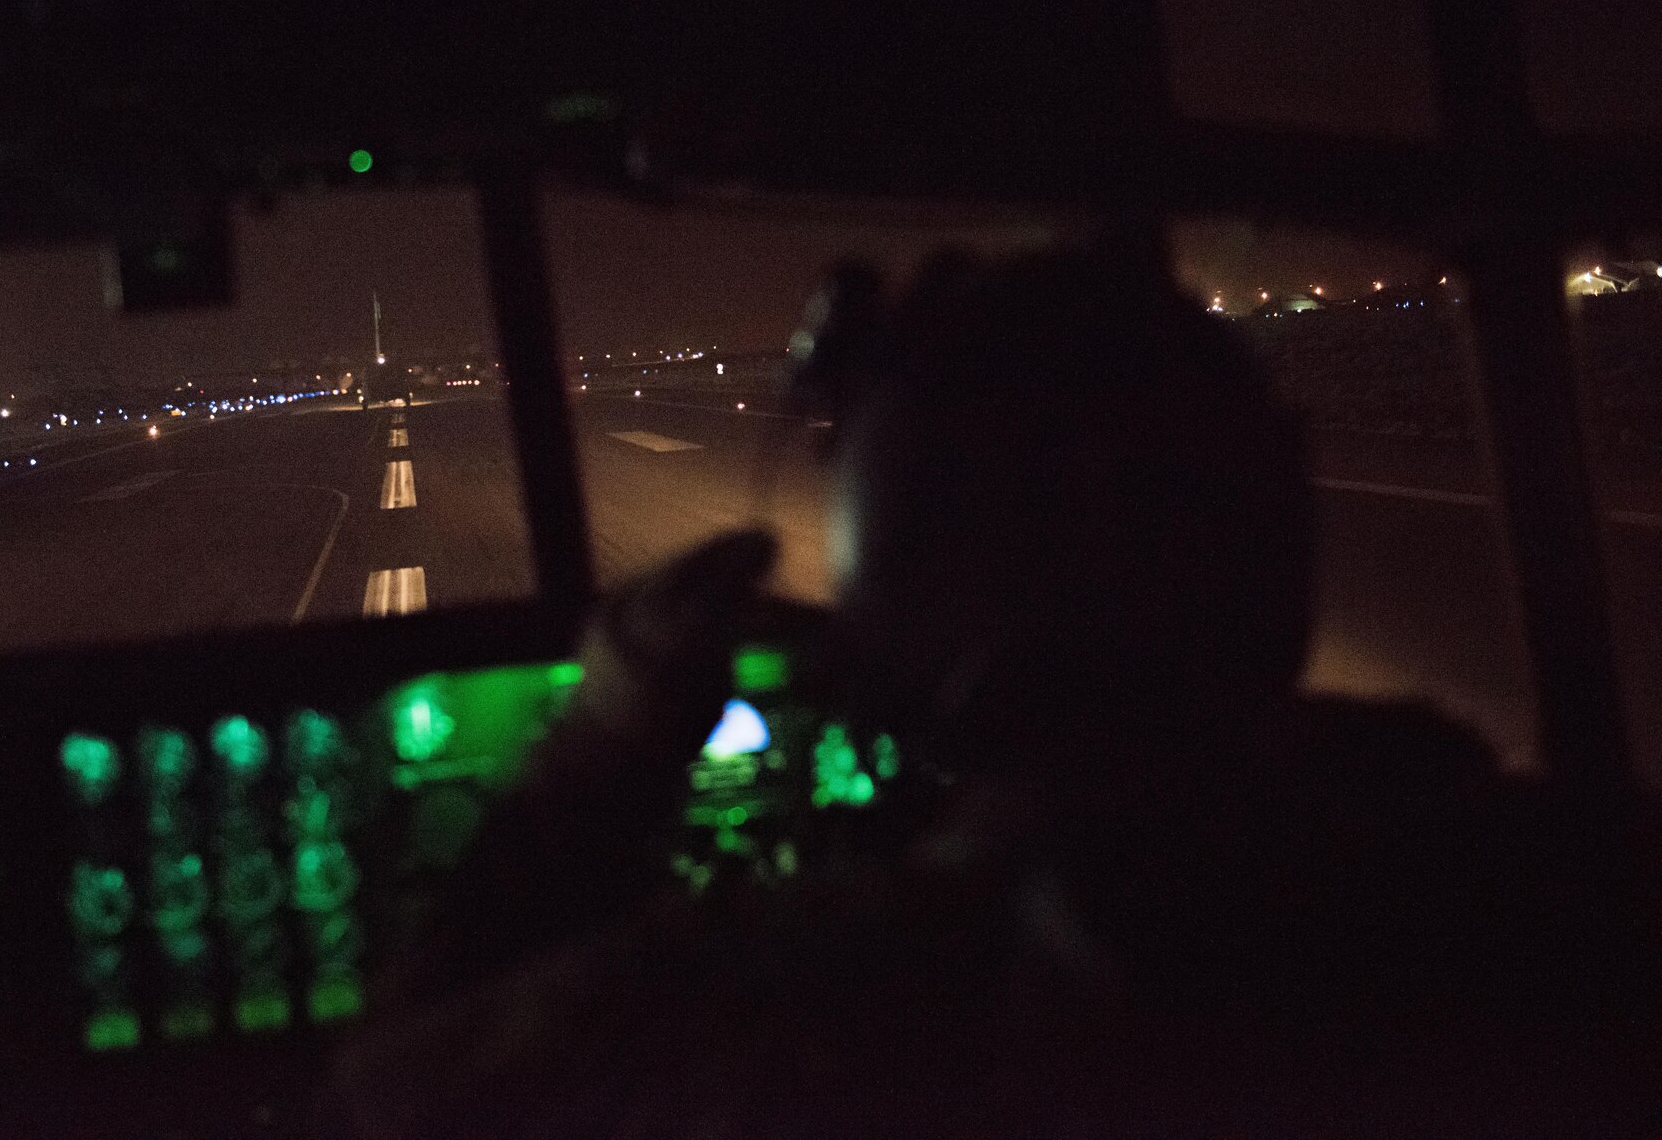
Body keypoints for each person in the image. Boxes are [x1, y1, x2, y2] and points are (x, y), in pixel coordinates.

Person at [325, 244, 1655, 1136]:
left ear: (887, 593)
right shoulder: (1567, 895)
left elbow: (389, 1099)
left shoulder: (772, 1014)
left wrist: (604, 752)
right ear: (1276, 536)